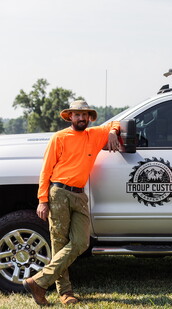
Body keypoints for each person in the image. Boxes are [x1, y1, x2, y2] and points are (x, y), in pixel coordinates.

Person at [23, 100, 121, 306]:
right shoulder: (59, 137)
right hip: (58, 193)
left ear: (89, 117)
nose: (81, 118)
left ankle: (38, 281)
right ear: (70, 117)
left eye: (85, 115)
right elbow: (46, 170)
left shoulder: (94, 135)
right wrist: (42, 200)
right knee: (59, 244)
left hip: (79, 195)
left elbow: (116, 122)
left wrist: (113, 132)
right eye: (77, 115)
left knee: (81, 242)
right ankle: (65, 293)